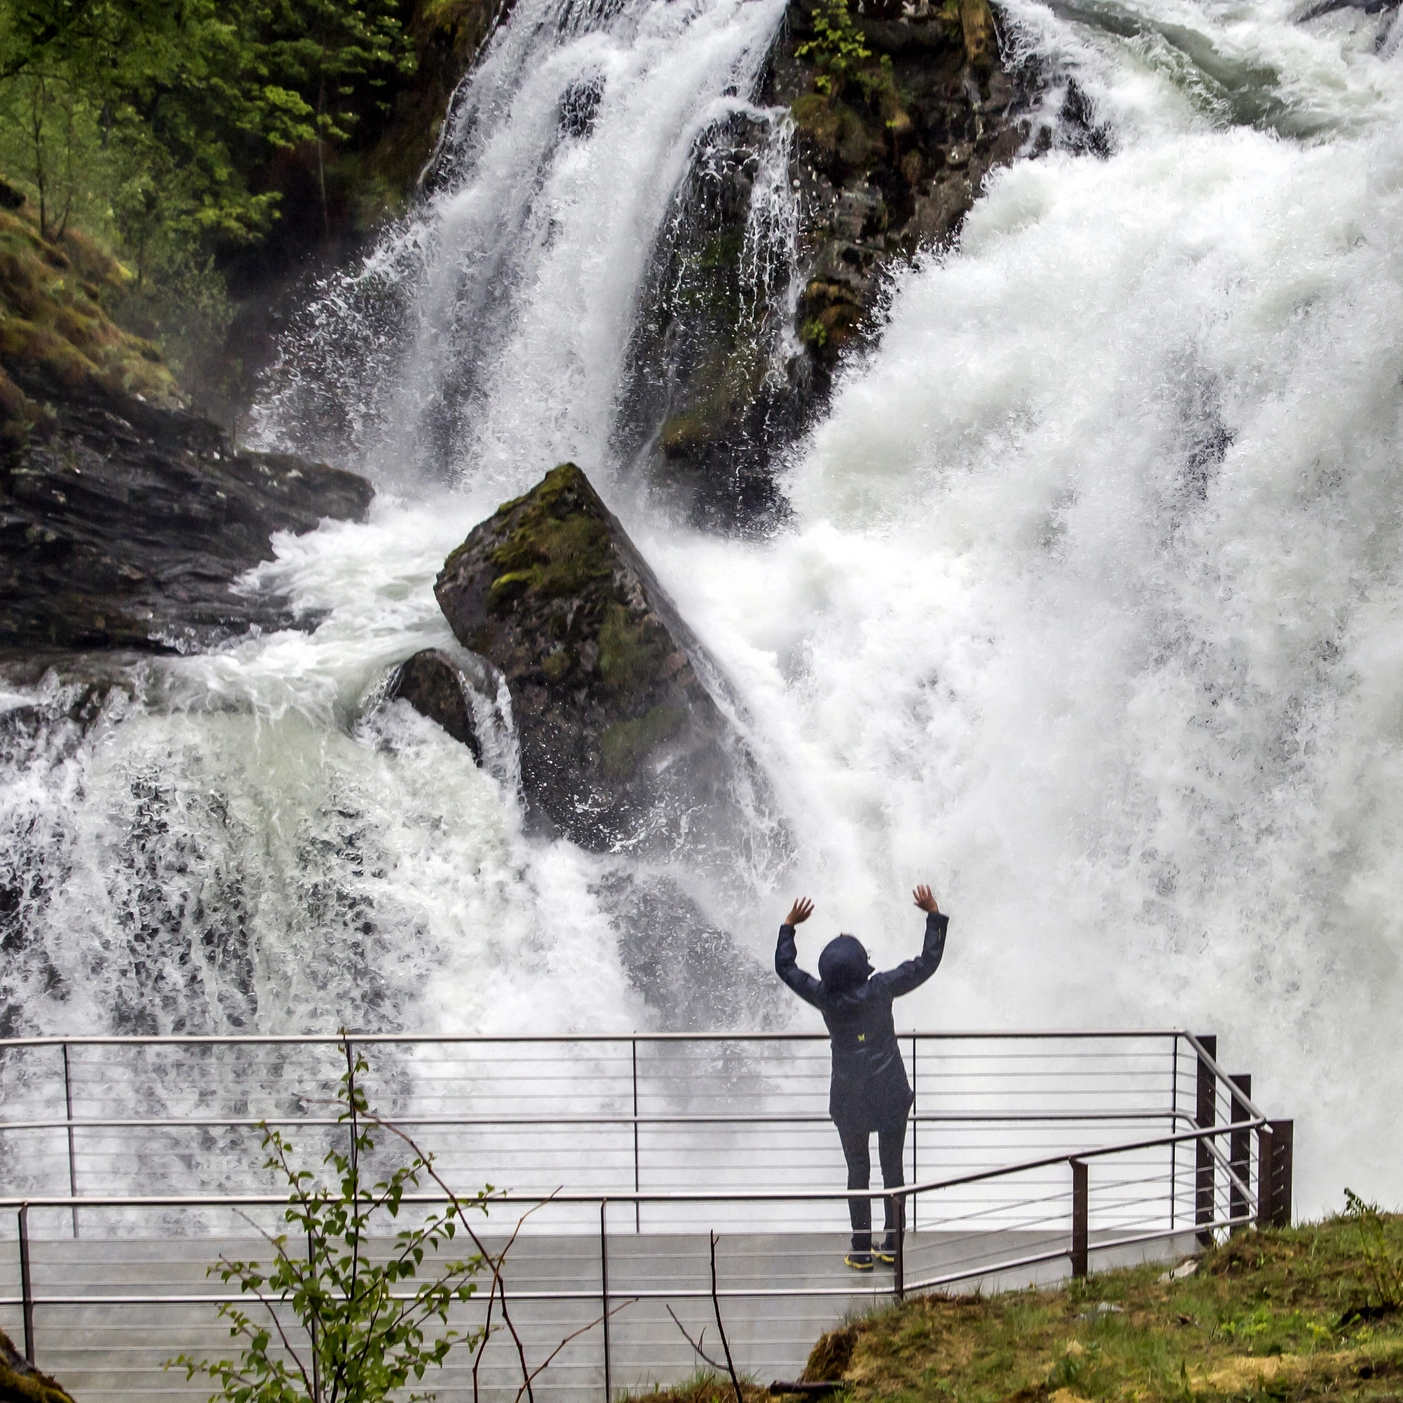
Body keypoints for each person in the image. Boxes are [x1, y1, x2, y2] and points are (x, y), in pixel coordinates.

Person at [775, 884, 948, 1271]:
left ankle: (860, 1248)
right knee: (893, 1170)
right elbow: (927, 963)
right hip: (889, 1094)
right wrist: (932, 914)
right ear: (862, 965)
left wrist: (790, 926)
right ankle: (893, 1245)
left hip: (850, 1099)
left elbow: (786, 968)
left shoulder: (824, 997)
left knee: (857, 1172)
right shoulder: (881, 988)